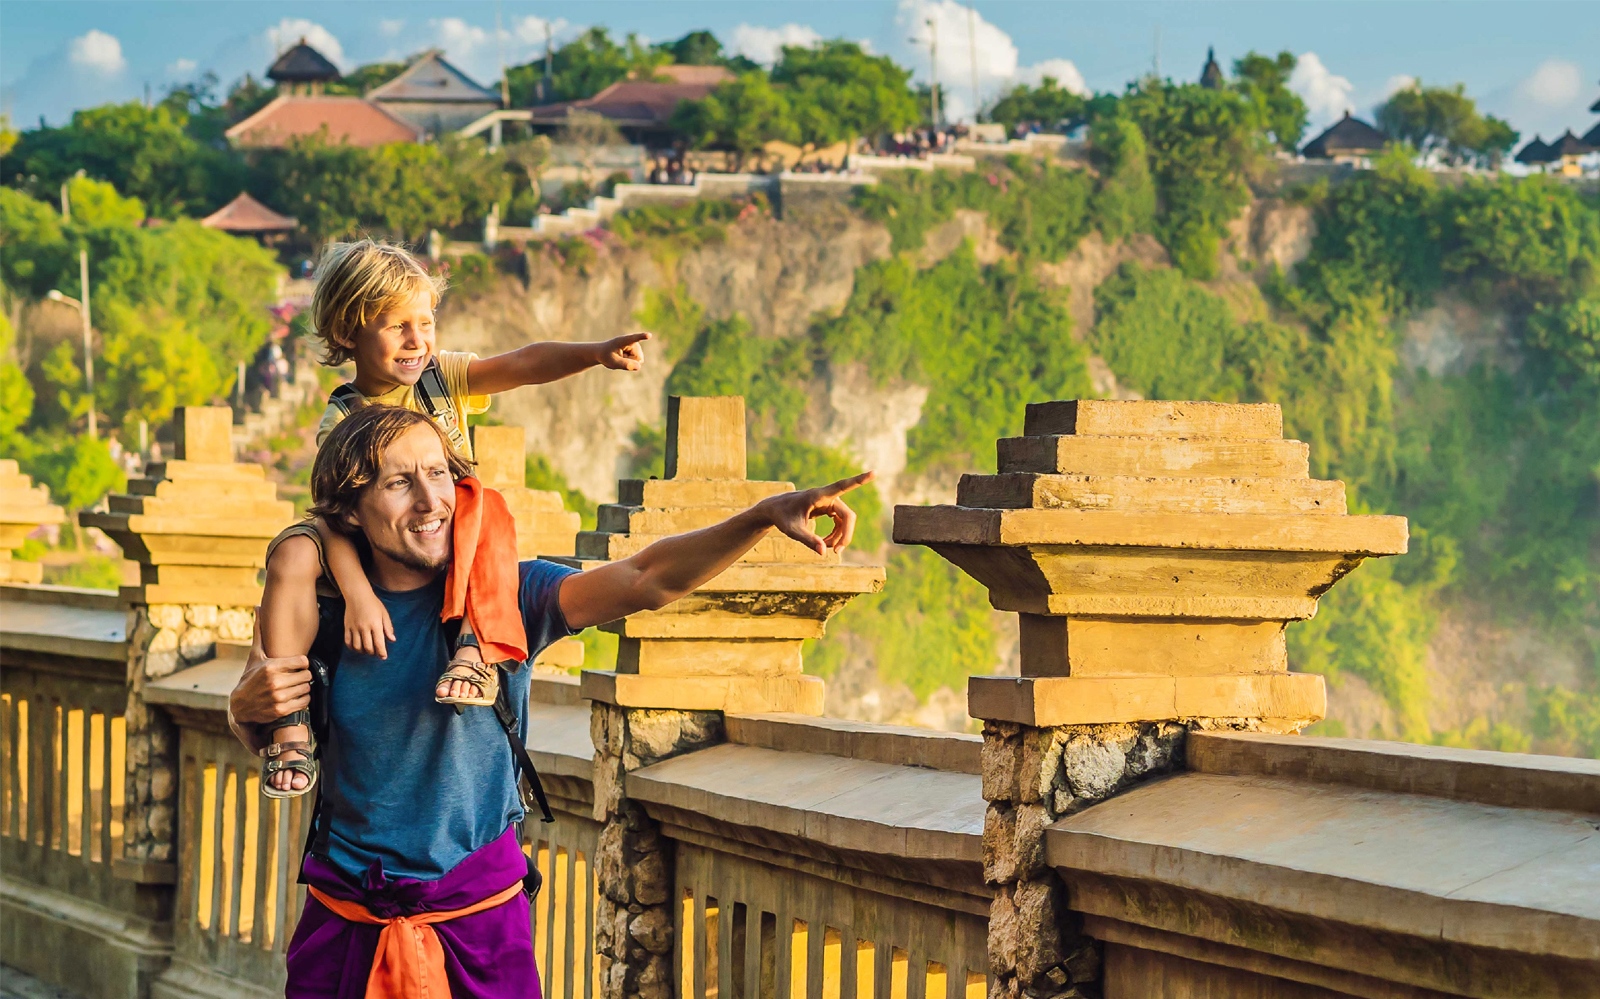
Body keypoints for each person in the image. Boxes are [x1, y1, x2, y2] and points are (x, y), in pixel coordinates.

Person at [228, 405, 871, 998]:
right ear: (350, 510)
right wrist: (246, 711)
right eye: (399, 484)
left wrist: (759, 516)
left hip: (477, 923)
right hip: (346, 917)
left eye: (438, 475)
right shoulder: (323, 607)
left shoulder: (513, 594)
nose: (431, 501)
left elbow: (647, 579)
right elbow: (271, 729)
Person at [258, 239, 653, 799]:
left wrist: (592, 353)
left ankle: (474, 646)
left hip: (450, 533)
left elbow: (521, 363)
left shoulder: (441, 379)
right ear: (349, 333)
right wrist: (359, 595)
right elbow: (334, 517)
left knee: (481, 501)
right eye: (397, 327)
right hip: (371, 543)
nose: (417, 341)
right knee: (292, 551)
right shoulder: (343, 420)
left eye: (426, 322)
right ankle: (289, 725)